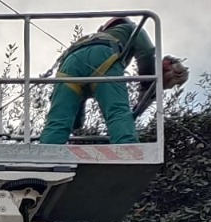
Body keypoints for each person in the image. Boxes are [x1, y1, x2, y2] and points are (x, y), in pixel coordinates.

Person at [40, 17, 182, 146]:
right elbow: (146, 52)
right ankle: (127, 148)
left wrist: (77, 123)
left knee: (58, 120)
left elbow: (73, 107)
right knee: (117, 111)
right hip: (103, 55)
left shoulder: (88, 38)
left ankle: (46, 153)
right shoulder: (130, 28)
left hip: (70, 63)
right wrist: (148, 83)